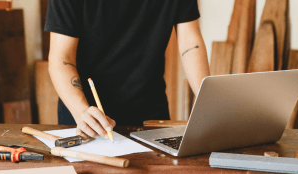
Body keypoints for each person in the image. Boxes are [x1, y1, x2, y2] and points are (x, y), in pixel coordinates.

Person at [45, 0, 210, 140]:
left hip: (150, 114)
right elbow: (62, 58)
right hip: (86, 116)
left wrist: (206, 97)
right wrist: (81, 111)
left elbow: (190, 43)